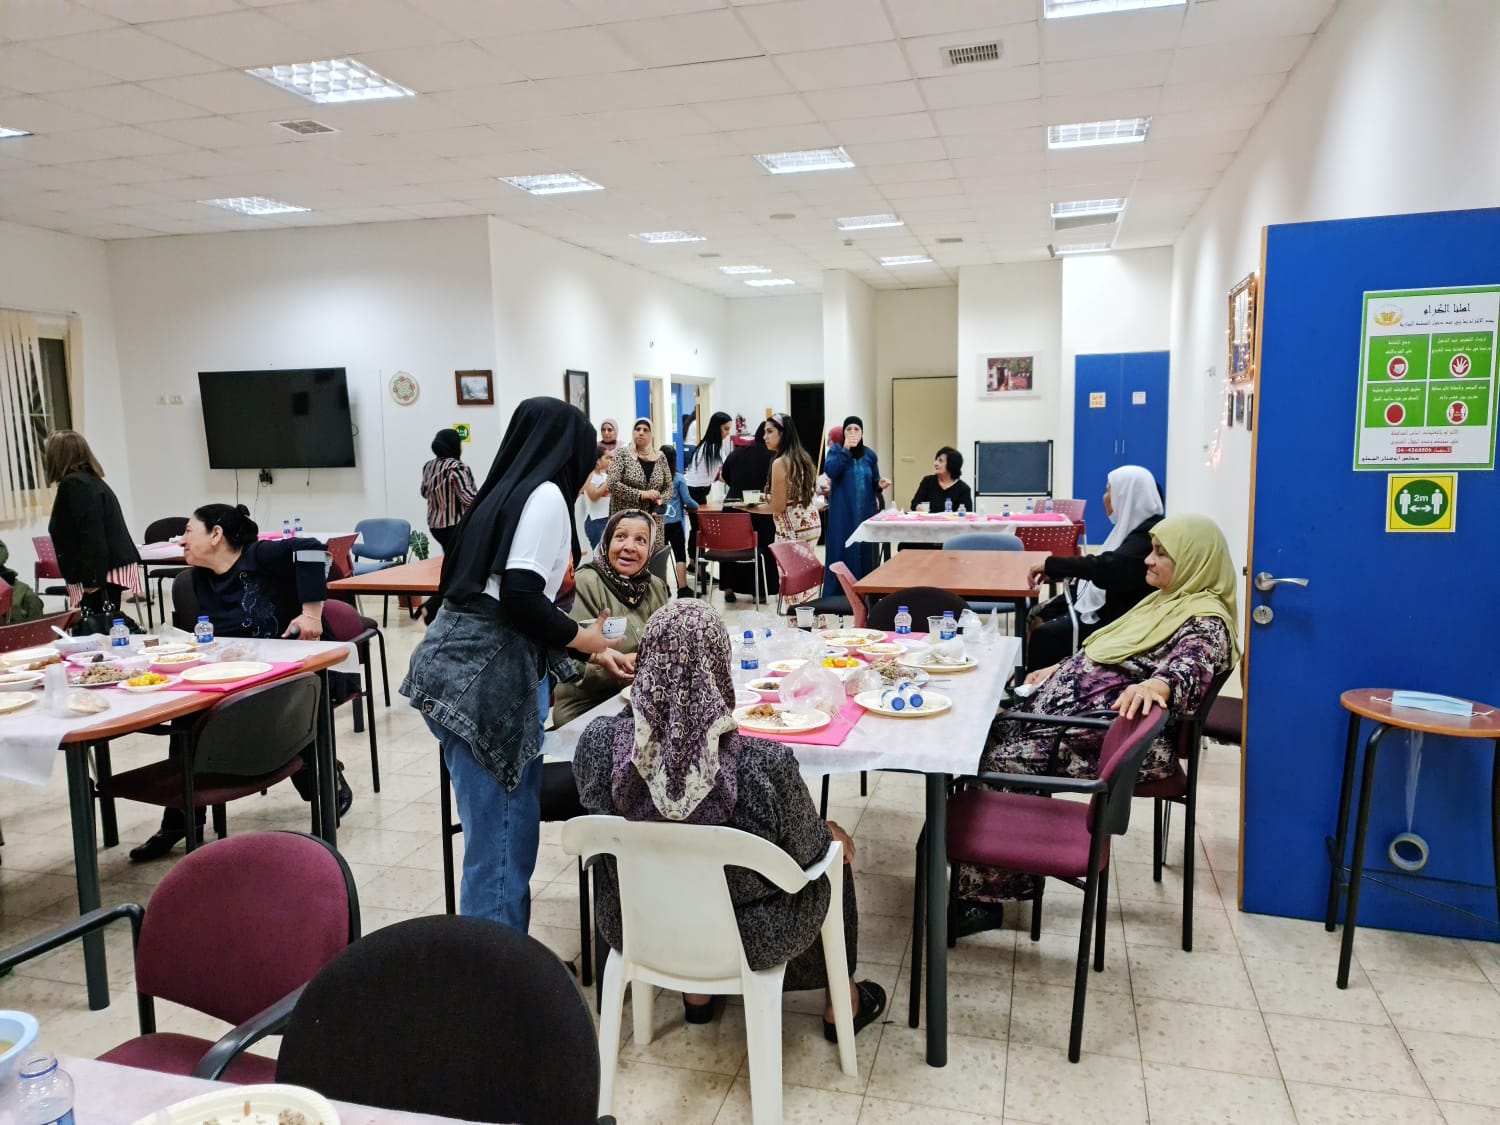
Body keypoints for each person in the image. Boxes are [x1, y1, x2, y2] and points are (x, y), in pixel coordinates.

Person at [573, 600, 887, 1036]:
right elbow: (809, 853)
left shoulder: (598, 746)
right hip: (748, 935)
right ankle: (843, 1003)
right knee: (833, 852)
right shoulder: (761, 764)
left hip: (637, 921)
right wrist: (829, 832)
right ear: (720, 668)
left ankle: (696, 996)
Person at [952, 514, 1238, 934]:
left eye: (1161, 554)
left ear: (1195, 561)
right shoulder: (1171, 600)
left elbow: (1190, 667)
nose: (1148, 562)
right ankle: (1000, 863)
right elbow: (1108, 652)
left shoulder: (1206, 621)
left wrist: (1160, 684)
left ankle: (987, 900)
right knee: (981, 735)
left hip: (1109, 740)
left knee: (995, 759)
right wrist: (1058, 669)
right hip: (1079, 725)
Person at [402, 397, 621, 931]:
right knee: (501, 848)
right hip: (485, 686)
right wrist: (588, 640)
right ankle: (496, 985)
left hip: (455, 675)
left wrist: (583, 644)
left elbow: (496, 598)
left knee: (497, 836)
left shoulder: (497, 496)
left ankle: (500, 963)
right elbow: (522, 596)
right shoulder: (545, 496)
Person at [128, 502, 348, 862]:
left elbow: (312, 548)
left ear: (216, 535)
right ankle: (181, 820)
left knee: (284, 708)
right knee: (187, 715)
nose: (181, 541)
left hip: (295, 669)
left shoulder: (261, 556)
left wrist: (310, 613)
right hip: (236, 673)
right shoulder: (197, 578)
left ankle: (325, 781)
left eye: (188, 532)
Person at [1024, 466, 1164, 671]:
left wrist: (1053, 565)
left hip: (1119, 618)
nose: (1104, 497)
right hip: (1106, 601)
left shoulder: (1148, 536)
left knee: (1043, 634)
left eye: (1109, 491)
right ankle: (1026, 680)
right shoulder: (1131, 529)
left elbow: (1107, 567)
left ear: (1125, 495)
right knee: (1035, 614)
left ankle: (1035, 690)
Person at [551, 510, 669, 728]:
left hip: (642, 701)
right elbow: (569, 663)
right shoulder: (585, 584)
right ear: (606, 541)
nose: (629, 547)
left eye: (641, 540)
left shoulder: (655, 586)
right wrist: (619, 668)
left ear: (651, 549)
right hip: (590, 706)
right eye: (620, 537)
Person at [43, 430, 143, 623]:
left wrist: (92, 580)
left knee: (97, 628)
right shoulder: (90, 481)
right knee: (104, 624)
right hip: (106, 565)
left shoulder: (75, 484)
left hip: (98, 570)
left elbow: (91, 533)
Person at [743, 412, 820, 607]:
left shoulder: (780, 462)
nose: (764, 436)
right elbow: (792, 495)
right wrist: (764, 498)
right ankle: (813, 625)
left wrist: (748, 508)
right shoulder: (801, 457)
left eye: (770, 432)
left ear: (783, 434)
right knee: (807, 585)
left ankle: (799, 630)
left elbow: (777, 506)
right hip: (810, 524)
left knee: (793, 589)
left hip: (792, 529)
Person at [821, 416, 890, 597]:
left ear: (862, 433)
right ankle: (839, 594)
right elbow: (832, 471)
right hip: (843, 514)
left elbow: (874, 480)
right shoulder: (836, 451)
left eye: (856, 429)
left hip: (865, 512)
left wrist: (880, 484)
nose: (852, 433)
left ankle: (866, 591)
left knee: (865, 551)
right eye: (848, 429)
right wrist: (846, 450)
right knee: (842, 549)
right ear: (843, 433)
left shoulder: (869, 455)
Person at [717, 421, 777, 604]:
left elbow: (724, 476)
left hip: (733, 508)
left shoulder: (737, 452)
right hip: (761, 509)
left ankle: (728, 587)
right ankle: (761, 588)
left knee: (729, 545)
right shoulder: (775, 457)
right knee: (763, 546)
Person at [606, 418, 671, 553]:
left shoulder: (660, 457)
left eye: (645, 430)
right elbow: (612, 484)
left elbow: (669, 487)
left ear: (651, 434)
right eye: (637, 429)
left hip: (653, 522)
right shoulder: (623, 454)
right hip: (627, 520)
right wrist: (641, 494)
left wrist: (661, 499)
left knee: (653, 564)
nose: (640, 433)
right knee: (629, 559)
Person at [684, 410, 732, 574]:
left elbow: (717, 474)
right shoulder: (714, 448)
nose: (727, 433)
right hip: (694, 491)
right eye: (725, 429)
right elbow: (726, 473)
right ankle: (695, 564)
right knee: (698, 529)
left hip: (694, 490)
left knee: (697, 529)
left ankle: (695, 564)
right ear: (717, 428)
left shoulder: (706, 445)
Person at [420, 428, 477, 554]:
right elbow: (468, 498)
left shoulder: (429, 466)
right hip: (455, 524)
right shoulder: (456, 467)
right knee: (461, 560)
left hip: (435, 526)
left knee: (449, 557)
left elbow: (424, 493)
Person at [660, 445, 697, 598]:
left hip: (659, 523)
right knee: (680, 555)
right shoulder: (678, 478)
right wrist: (695, 507)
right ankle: (682, 588)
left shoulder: (655, 479)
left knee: (660, 557)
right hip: (675, 523)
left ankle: (664, 588)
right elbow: (687, 500)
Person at [909, 447, 973, 514]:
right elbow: (914, 504)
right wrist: (917, 507)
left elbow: (967, 515)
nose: (935, 464)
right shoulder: (927, 481)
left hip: (951, 524)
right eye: (936, 460)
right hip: (929, 523)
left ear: (951, 464)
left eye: (940, 461)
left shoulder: (963, 489)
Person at [582, 443, 613, 550]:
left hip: (608, 519)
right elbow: (594, 496)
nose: (610, 460)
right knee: (600, 555)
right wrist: (608, 481)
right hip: (595, 521)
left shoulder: (605, 476)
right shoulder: (590, 476)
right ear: (597, 460)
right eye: (607, 458)